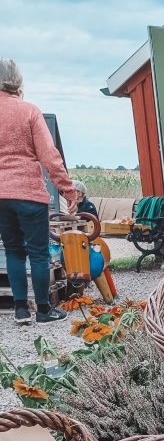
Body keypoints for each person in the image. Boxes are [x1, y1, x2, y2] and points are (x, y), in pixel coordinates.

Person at [0, 58, 77, 325]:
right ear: (17, 81)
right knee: (40, 253)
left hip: (1, 197)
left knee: (13, 251)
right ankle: (44, 311)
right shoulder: (29, 111)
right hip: (29, 194)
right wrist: (69, 191)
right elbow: (50, 156)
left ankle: (21, 310)